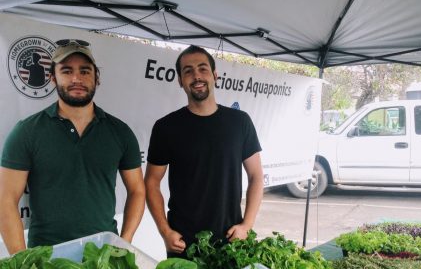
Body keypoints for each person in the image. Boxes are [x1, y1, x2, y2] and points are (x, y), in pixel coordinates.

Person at [0, 39, 145, 254]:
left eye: (85, 71)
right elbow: (6, 199)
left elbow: (137, 191)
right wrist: (23, 262)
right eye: (67, 71)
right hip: (46, 258)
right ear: (52, 77)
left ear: (97, 78)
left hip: (103, 256)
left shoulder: (120, 132)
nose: (76, 78)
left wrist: (123, 242)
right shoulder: (27, 132)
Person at [145, 45, 263, 257]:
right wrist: (165, 232)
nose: (196, 76)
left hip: (231, 239)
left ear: (215, 75)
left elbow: (256, 176)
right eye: (188, 71)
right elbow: (152, 182)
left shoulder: (240, 122)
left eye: (202, 69)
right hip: (183, 243)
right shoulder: (166, 127)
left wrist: (247, 225)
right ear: (180, 80)